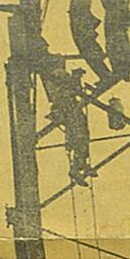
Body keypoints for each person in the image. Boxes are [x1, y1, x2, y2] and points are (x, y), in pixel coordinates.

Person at [43, 57, 94, 186]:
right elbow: (69, 94)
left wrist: (77, 77)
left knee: (83, 140)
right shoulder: (59, 93)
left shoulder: (61, 90)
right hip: (72, 117)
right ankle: (76, 169)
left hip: (75, 117)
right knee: (79, 141)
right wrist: (76, 78)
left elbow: (73, 89)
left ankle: (81, 164)